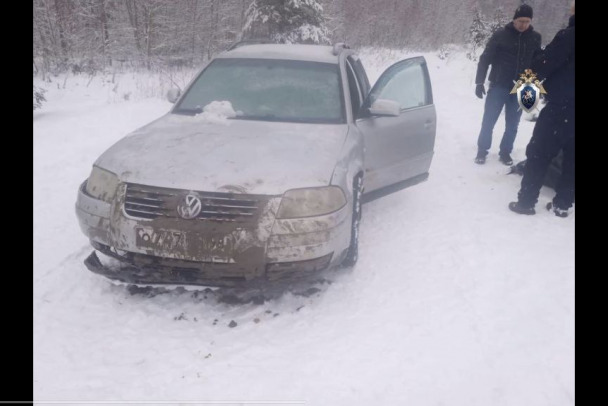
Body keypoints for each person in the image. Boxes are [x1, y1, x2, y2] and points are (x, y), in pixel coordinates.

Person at [509, 2, 575, 217]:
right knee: (572, 160)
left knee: (538, 154)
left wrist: (525, 87)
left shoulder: (569, 36)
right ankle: (562, 206)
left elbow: (544, 64)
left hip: (561, 110)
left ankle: (526, 202)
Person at [474, 3, 542, 165]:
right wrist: (479, 82)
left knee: (513, 124)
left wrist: (535, 84)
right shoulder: (500, 35)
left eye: (526, 21)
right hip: (499, 84)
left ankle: (505, 152)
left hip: (523, 87)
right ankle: (482, 151)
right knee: (489, 120)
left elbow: (537, 62)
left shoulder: (535, 38)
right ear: (514, 20)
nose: (523, 24)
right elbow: (485, 59)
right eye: (520, 21)